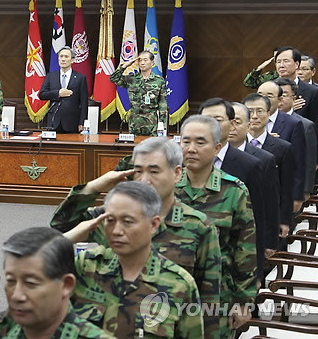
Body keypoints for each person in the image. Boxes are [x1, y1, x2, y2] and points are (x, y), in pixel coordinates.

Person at [51, 137, 221, 339]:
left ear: (176, 174)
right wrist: (93, 187)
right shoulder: (109, 218)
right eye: (138, 171)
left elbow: (209, 300)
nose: (144, 180)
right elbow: (62, 225)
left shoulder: (198, 227)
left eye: (154, 171)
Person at [65, 181, 204, 339]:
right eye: (110, 221)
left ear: (153, 224)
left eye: (127, 222)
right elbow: (40, 312)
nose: (117, 231)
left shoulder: (179, 284)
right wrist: (66, 240)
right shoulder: (86, 266)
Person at [174, 115, 258, 339]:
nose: (191, 149)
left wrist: (244, 302)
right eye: (186, 141)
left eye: (200, 142)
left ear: (217, 148)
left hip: (215, 298)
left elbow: (245, 249)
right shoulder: (166, 187)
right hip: (167, 295)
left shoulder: (234, 191)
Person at [197, 98, 266, 282]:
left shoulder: (250, 165)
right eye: (206, 120)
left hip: (229, 271)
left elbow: (256, 221)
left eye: (218, 120)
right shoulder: (182, 163)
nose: (211, 126)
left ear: (232, 123)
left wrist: (255, 275)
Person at [228, 102, 280, 261]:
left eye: (237, 122)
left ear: (248, 125)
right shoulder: (209, 157)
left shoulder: (263, 159)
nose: (231, 127)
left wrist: (269, 242)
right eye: (227, 122)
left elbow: (269, 204)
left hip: (249, 238)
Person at [243, 93, 294, 241]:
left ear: (269, 113)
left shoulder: (283, 148)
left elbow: (286, 188)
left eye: (259, 111)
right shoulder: (234, 147)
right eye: (249, 112)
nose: (254, 116)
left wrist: (284, 220)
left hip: (269, 214)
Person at [258, 80, 306, 212]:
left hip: (280, 189)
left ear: (279, 100)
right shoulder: (248, 122)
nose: (263, 99)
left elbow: (298, 162)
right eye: (260, 94)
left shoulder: (293, 123)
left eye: (268, 96)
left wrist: (297, 196)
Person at [275, 78, 317, 200]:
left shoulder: (305, 125)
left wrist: (305, 190)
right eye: (275, 95)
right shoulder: (262, 122)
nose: (279, 99)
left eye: (284, 95)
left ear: (294, 98)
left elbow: (309, 162)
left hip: (292, 187)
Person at [110, 50, 168, 135]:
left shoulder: (159, 81)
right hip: (135, 122)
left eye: (145, 60)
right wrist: (124, 66)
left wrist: (162, 126)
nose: (142, 63)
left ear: (152, 62)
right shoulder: (132, 79)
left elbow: (163, 105)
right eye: (140, 60)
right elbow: (113, 78)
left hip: (152, 124)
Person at [39, 46, 89, 133]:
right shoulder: (51, 76)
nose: (63, 59)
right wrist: (58, 93)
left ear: (72, 60)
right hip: (54, 121)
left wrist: (82, 122)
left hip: (72, 122)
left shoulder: (81, 78)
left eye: (66, 57)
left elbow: (84, 102)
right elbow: (42, 94)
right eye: (61, 56)